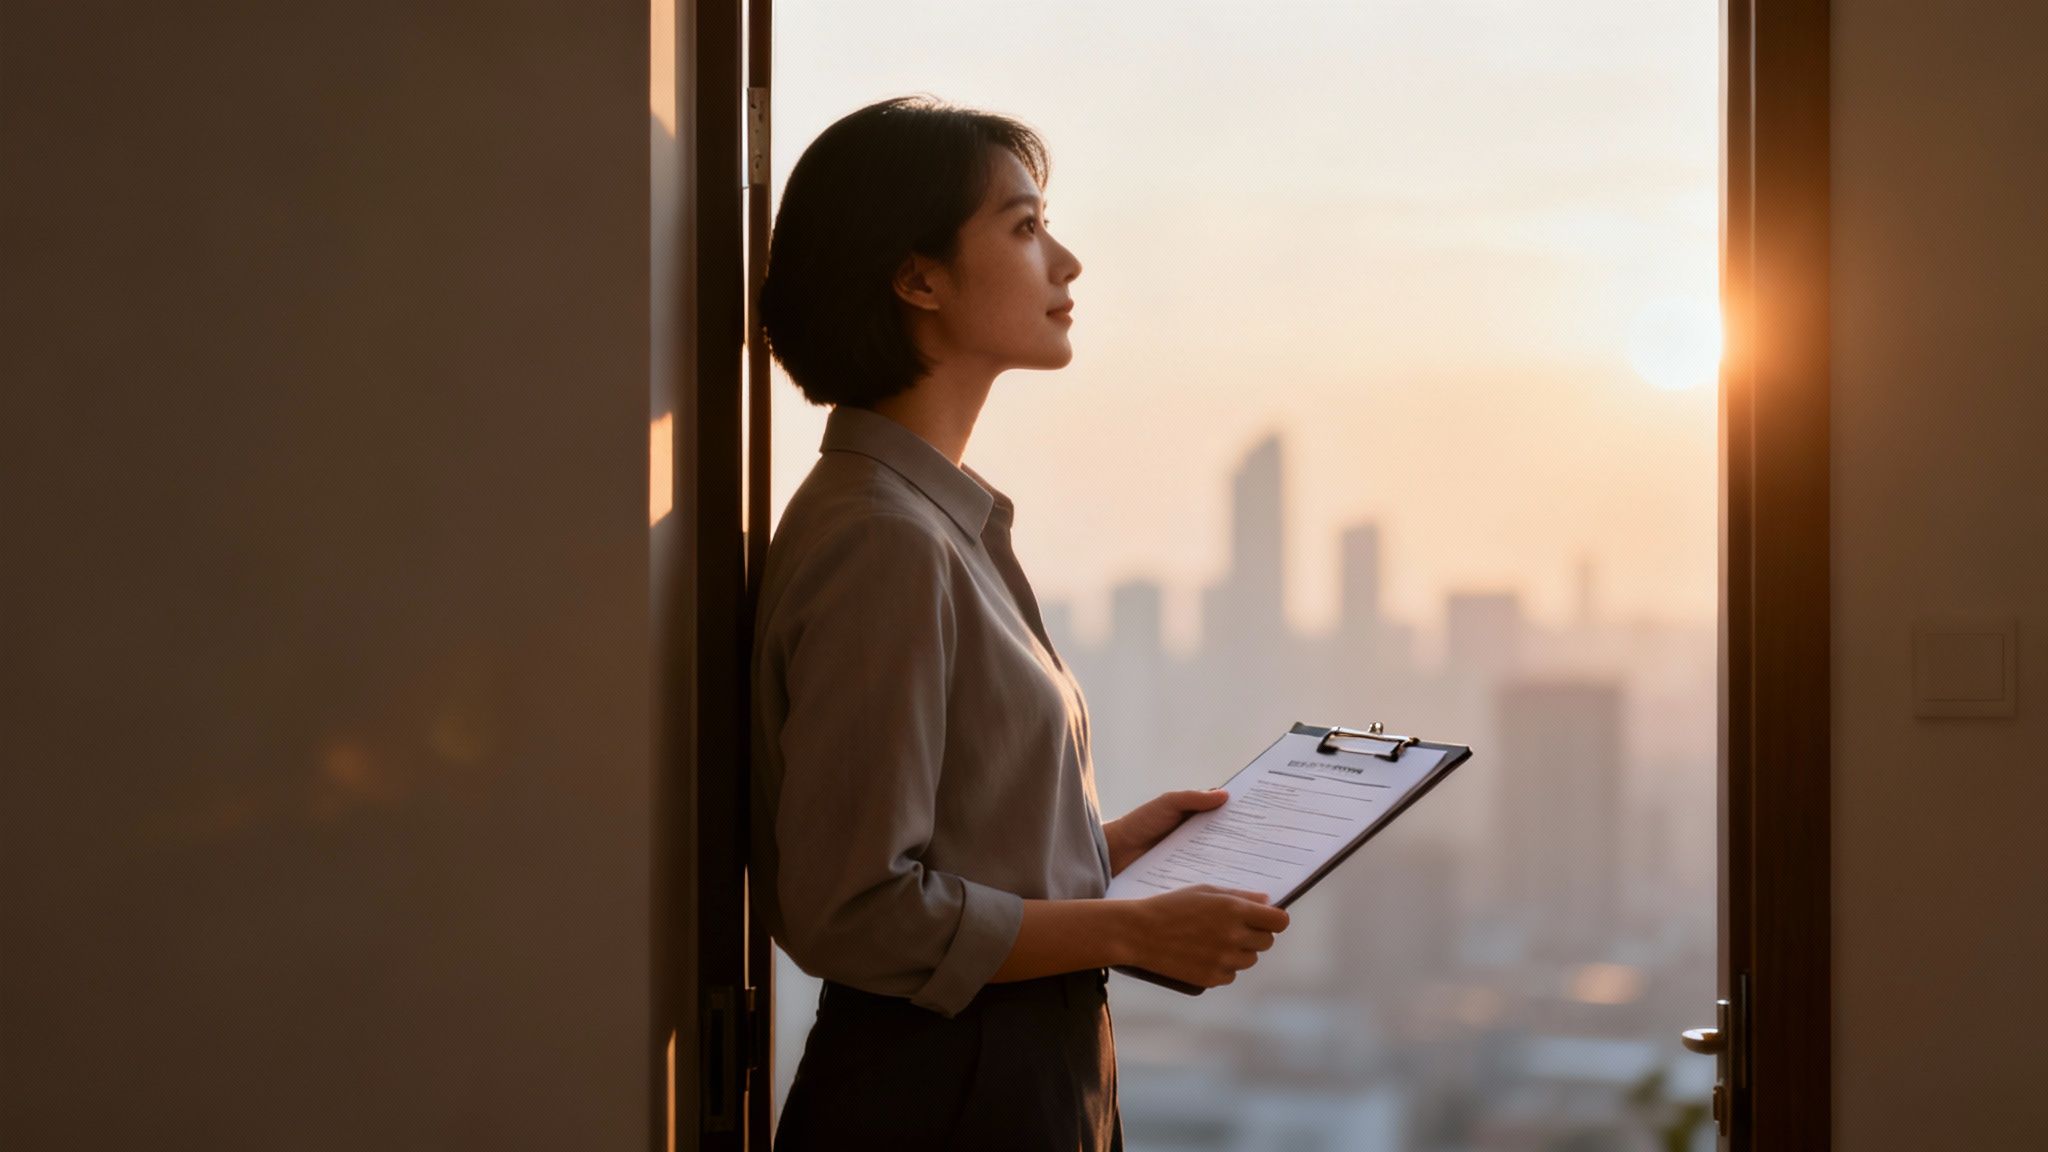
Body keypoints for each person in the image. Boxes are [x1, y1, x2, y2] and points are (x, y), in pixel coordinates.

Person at [751, 95, 1291, 1152]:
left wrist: (1099, 855)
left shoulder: (929, 520)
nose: (1067, 261)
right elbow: (853, 908)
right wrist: (1129, 926)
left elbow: (935, 837)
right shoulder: (884, 539)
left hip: (998, 1073)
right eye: (1023, 225)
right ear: (917, 278)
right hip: (944, 1091)